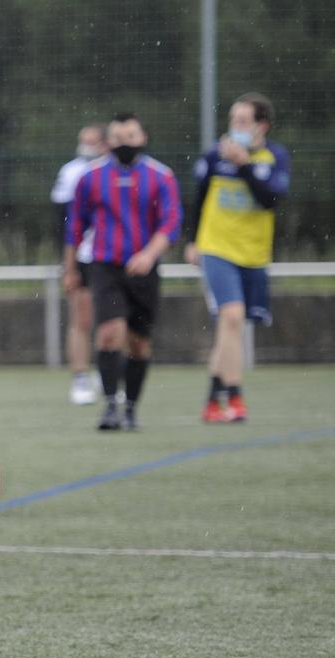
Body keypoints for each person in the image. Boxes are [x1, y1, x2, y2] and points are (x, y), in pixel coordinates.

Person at [65, 112, 181, 431]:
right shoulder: (90, 177)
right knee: (108, 333)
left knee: (139, 343)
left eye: (130, 137)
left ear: (142, 138)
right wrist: (71, 268)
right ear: (108, 142)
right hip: (106, 266)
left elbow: (170, 224)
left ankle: (131, 407)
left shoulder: (161, 176)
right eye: (117, 138)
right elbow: (75, 227)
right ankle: (111, 406)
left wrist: (148, 255)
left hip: (145, 269)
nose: (123, 144)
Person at [185, 93, 290, 423]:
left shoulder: (276, 157)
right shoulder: (214, 158)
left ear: (262, 126)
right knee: (231, 317)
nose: (235, 127)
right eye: (232, 120)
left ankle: (211, 401)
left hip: (254, 254)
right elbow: (198, 200)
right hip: (216, 249)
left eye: (243, 121)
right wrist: (192, 241)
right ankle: (235, 398)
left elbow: (270, 199)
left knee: (230, 329)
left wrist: (245, 165)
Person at [52, 125, 107, 405]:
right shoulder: (71, 173)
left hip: (112, 257)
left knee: (113, 319)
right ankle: (81, 377)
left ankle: (107, 373)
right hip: (84, 256)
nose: (86, 147)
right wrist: (67, 262)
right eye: (82, 141)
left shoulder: (115, 173)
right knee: (81, 317)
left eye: (92, 141)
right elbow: (65, 220)